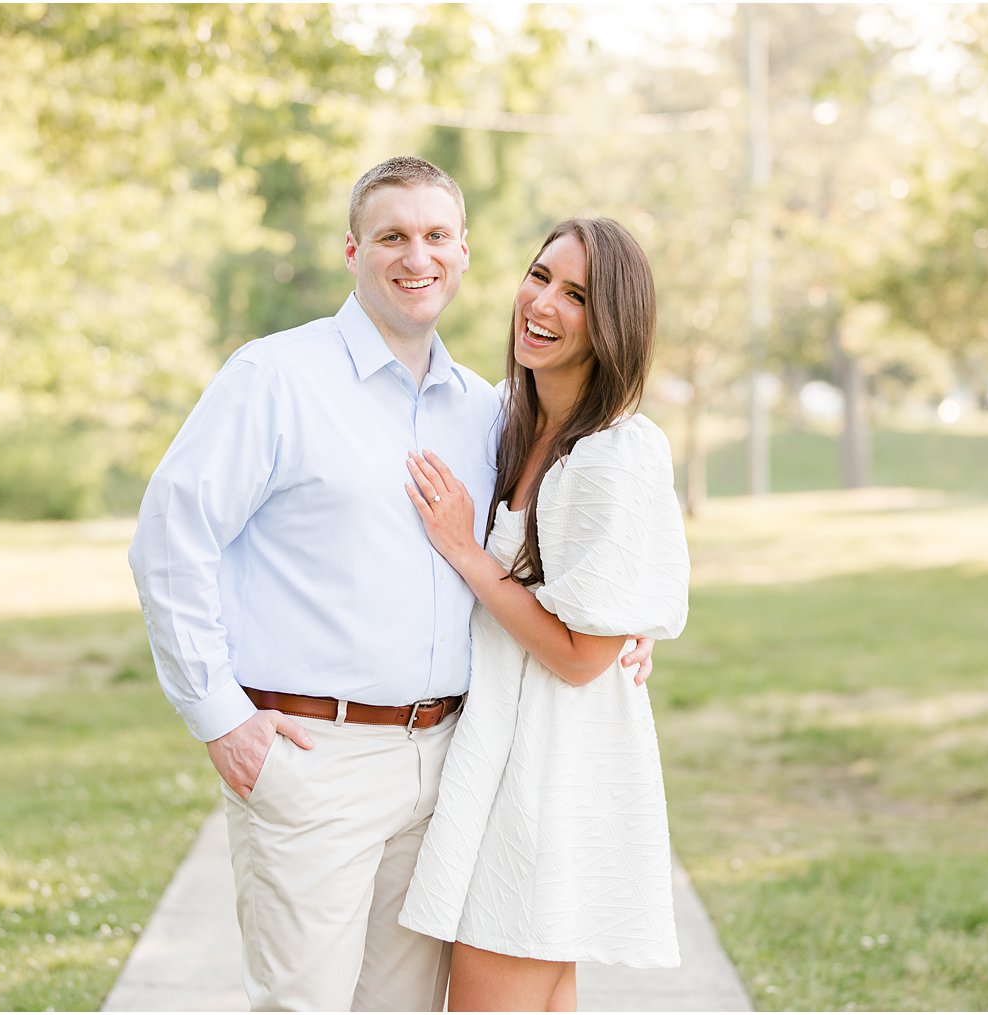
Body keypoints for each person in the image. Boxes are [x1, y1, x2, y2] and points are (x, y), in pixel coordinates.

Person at [130, 158, 655, 1012]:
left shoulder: (484, 410)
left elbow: (557, 540)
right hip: (312, 760)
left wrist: (630, 624)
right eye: (393, 236)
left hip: (447, 764)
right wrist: (220, 716)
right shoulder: (276, 379)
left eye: (437, 235)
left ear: (464, 251)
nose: (418, 257)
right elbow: (168, 541)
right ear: (352, 250)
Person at [397, 218, 690, 1012]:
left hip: (549, 779)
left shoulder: (612, 453)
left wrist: (468, 550)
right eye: (539, 275)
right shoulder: (511, 422)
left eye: (577, 295)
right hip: (509, 761)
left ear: (613, 324)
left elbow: (580, 654)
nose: (543, 303)